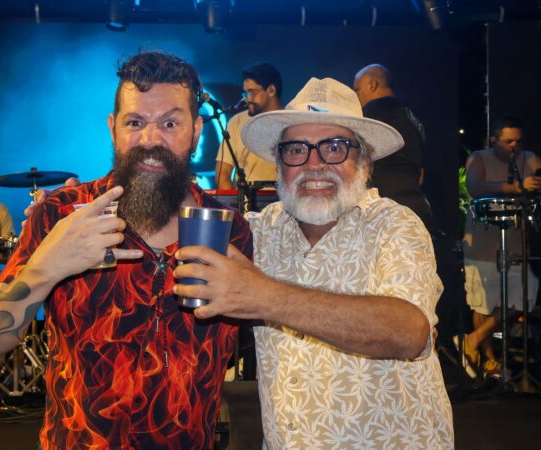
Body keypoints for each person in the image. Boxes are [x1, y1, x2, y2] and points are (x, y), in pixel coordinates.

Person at [0, 51, 252, 450]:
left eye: (170, 123)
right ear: (113, 128)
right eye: (135, 123)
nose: (150, 140)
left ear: (195, 131)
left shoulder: (229, 230)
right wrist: (46, 267)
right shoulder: (62, 215)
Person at [175, 77, 454, 449]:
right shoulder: (259, 232)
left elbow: (409, 333)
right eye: (296, 150)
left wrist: (263, 297)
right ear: (279, 164)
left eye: (335, 147)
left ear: (364, 161)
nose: (315, 164)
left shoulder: (393, 224)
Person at [460, 114, 541, 378]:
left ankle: (471, 340)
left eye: (518, 141)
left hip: (516, 245)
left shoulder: (530, 159)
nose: (514, 146)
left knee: (524, 295)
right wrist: (515, 187)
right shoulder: (479, 158)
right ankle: (490, 361)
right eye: (508, 141)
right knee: (483, 304)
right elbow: (474, 186)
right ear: (494, 140)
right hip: (482, 245)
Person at [353, 64, 437, 233]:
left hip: (386, 211)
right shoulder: (413, 118)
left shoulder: (372, 111)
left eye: (357, 90)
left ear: (372, 85)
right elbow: (420, 176)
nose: (355, 96)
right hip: (418, 208)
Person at [214, 62, 282, 189]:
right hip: (245, 200)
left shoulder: (292, 122)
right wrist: (238, 201)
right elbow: (222, 175)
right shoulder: (237, 122)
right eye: (246, 93)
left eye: (252, 92)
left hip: (284, 200)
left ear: (271, 90)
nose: (248, 99)